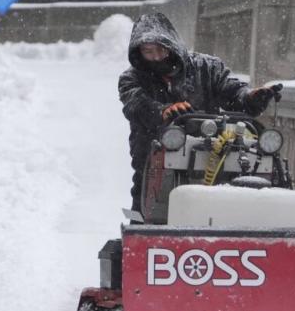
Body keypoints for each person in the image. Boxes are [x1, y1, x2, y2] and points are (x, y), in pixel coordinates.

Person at [119, 13, 281, 212]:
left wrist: (250, 97)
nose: (156, 57)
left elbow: (232, 91)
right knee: (148, 206)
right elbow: (135, 104)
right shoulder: (131, 78)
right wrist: (163, 111)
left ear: (172, 45)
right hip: (152, 157)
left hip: (211, 151)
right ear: (139, 53)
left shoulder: (207, 67)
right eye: (148, 52)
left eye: (161, 49)